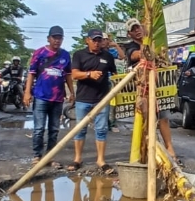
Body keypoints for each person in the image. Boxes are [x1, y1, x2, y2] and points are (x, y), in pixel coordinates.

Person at [122, 18, 177, 160]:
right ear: (129, 34)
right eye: (133, 30)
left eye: (138, 27)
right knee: (145, 120)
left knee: (163, 118)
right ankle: (145, 151)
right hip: (143, 90)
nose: (137, 30)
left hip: (159, 87)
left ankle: (170, 149)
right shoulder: (131, 47)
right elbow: (135, 55)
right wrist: (146, 45)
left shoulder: (154, 42)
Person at [69, 29, 118, 174]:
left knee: (101, 130)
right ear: (87, 40)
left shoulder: (108, 56)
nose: (97, 43)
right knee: (80, 130)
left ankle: (101, 160)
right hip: (83, 99)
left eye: (99, 40)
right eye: (94, 40)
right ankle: (77, 159)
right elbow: (74, 74)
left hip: (102, 99)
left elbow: (115, 74)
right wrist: (89, 74)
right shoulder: (79, 54)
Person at [24, 26, 74, 164]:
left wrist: (72, 92)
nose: (57, 40)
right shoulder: (39, 53)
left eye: (60, 38)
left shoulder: (65, 55)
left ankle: (49, 156)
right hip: (41, 96)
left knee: (54, 129)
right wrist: (27, 92)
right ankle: (37, 155)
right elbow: (31, 73)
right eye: (54, 37)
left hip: (57, 99)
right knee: (39, 129)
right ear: (48, 38)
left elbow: (68, 75)